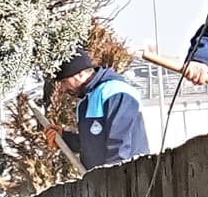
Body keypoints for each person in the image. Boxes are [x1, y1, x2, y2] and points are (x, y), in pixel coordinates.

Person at [55, 25, 151, 172]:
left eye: (64, 81)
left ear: (80, 74)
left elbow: (120, 146)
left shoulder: (117, 92)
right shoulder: (85, 101)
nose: (62, 88)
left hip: (130, 179)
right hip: (102, 184)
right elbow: (91, 144)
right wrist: (63, 138)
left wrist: (112, 181)